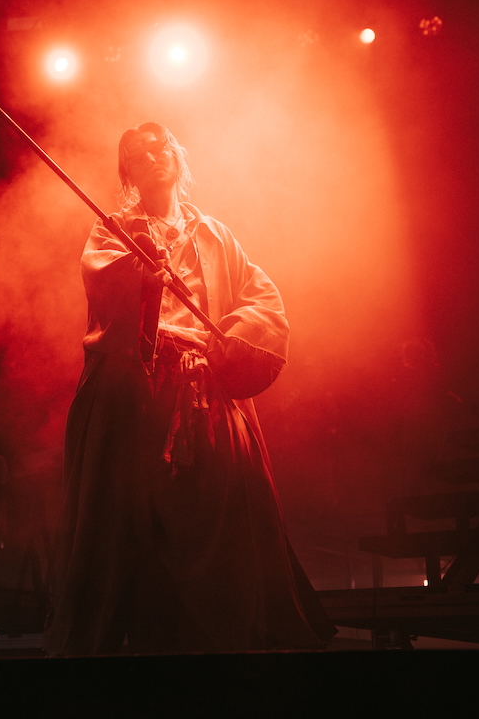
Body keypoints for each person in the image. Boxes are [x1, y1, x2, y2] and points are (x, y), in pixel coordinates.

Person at [43, 122, 336, 655]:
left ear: (178, 157)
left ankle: (233, 642)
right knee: (125, 519)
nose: (152, 157)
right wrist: (141, 278)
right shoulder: (115, 231)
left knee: (230, 515)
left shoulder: (215, 235)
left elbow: (262, 300)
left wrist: (231, 336)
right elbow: (103, 285)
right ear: (127, 172)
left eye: (160, 148)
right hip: (138, 393)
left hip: (205, 389)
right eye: (137, 153)